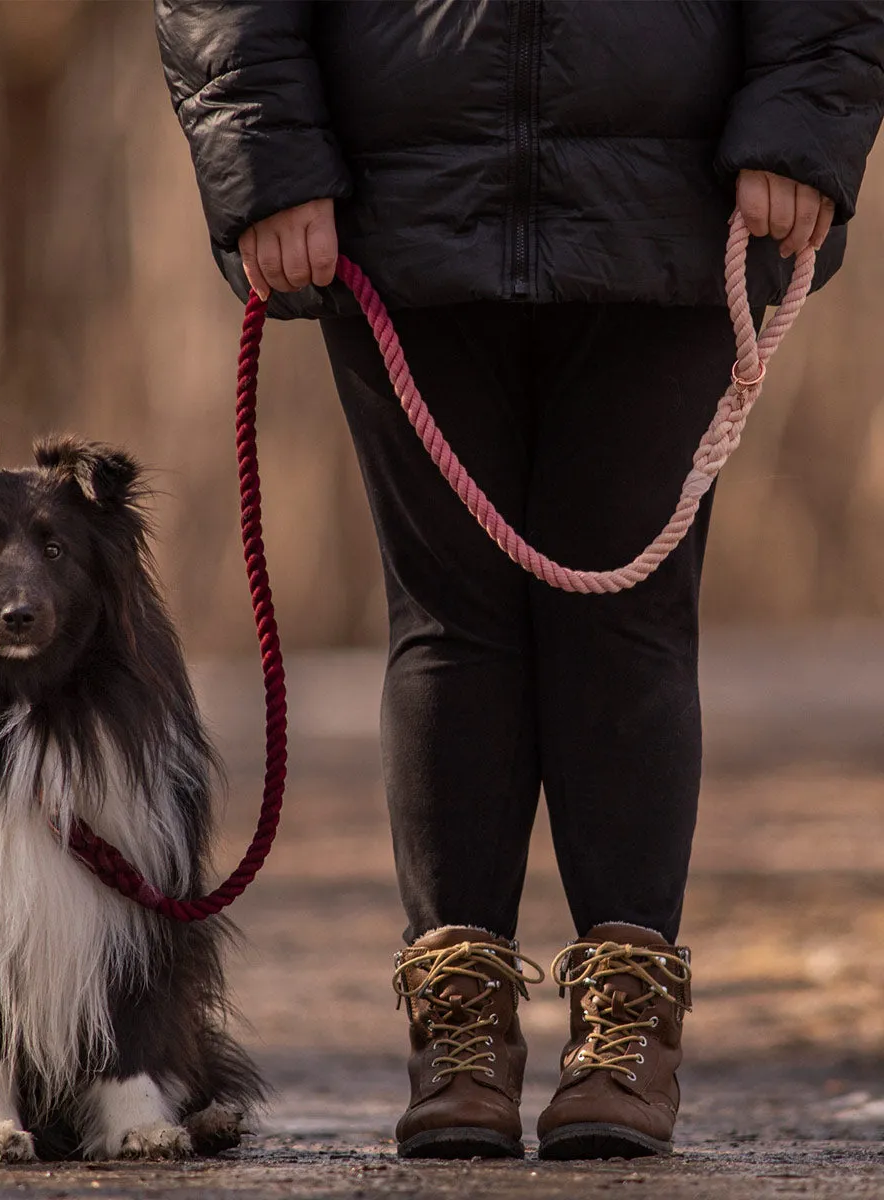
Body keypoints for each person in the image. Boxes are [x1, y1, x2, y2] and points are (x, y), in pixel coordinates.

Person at [155, 0, 884, 1163]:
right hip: (400, 195)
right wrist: (267, 153)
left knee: (625, 615)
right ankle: (461, 1033)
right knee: (449, 624)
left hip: (678, 194)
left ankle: (628, 1029)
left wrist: (802, 126)